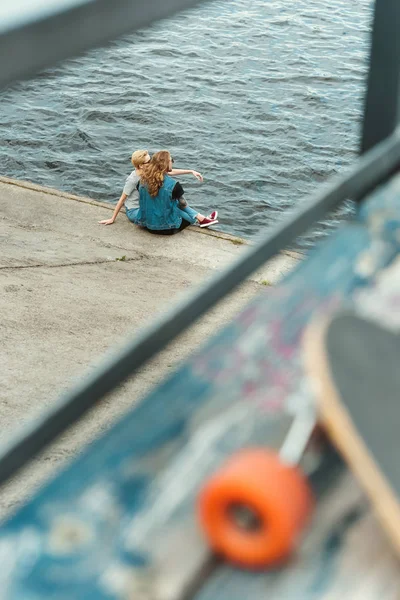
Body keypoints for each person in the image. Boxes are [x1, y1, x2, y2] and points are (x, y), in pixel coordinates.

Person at [99, 149, 207, 226]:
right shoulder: (132, 180)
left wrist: (190, 171)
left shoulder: (148, 171)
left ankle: (200, 219)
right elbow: (122, 198)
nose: (152, 163)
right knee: (174, 210)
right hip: (135, 210)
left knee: (174, 206)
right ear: (141, 165)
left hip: (146, 205)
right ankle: (199, 220)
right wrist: (112, 218)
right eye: (149, 161)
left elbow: (169, 171)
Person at [132, 150, 218, 234]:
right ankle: (201, 219)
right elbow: (183, 204)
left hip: (146, 225)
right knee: (182, 209)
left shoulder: (141, 181)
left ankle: (202, 218)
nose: (172, 162)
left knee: (163, 202)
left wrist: (190, 171)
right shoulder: (174, 185)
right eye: (171, 160)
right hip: (166, 228)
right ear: (167, 164)